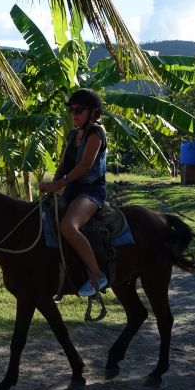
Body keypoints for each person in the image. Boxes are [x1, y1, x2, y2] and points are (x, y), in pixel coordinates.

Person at [40, 88, 108, 297]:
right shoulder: (73, 134)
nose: (74, 115)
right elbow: (64, 164)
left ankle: (97, 275)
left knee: (68, 226)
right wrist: (52, 186)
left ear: (93, 113)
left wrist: (60, 183)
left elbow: (86, 165)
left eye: (79, 110)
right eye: (71, 110)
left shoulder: (96, 133)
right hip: (71, 189)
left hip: (91, 191)